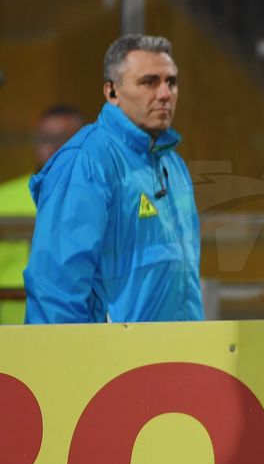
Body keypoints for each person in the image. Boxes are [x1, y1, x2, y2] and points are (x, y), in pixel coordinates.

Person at [23, 34, 202, 323]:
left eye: (171, 82)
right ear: (112, 92)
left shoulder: (173, 165)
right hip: (114, 352)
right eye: (149, 82)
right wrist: (65, 353)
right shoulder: (86, 162)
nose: (165, 94)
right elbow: (56, 287)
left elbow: (184, 284)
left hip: (174, 350)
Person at [0, 105, 83, 323]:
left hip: (73, 325)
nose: (53, 146)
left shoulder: (96, 199)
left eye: (64, 138)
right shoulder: (3, 199)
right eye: (46, 138)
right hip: (9, 327)